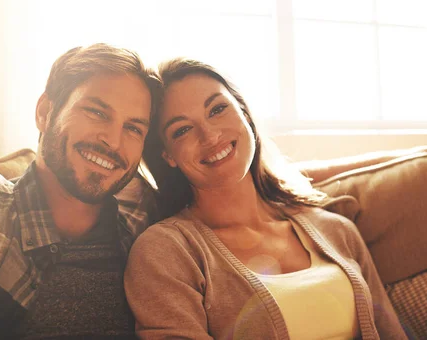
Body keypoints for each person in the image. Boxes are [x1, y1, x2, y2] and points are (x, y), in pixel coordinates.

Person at [124, 58, 410, 339]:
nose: (210, 135)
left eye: (218, 109)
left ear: (245, 115)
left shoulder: (336, 230)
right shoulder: (164, 252)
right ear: (167, 155)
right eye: (182, 130)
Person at [0, 43, 161, 339]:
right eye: (96, 112)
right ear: (45, 112)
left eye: (133, 129)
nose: (114, 142)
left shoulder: (146, 233)